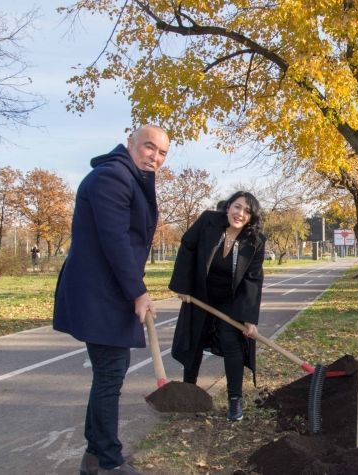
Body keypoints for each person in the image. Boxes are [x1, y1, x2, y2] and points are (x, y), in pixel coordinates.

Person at [53, 125, 169, 475]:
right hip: (98, 294)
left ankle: (93, 457)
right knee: (110, 374)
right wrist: (138, 292)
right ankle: (109, 460)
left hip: (107, 291)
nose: (155, 157)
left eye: (162, 153)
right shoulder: (113, 177)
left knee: (108, 374)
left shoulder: (127, 176)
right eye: (149, 147)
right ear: (130, 142)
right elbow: (114, 240)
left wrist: (135, 288)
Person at [170, 191, 266, 422]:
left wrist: (249, 319)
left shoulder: (255, 241)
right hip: (200, 294)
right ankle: (188, 393)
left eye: (247, 211)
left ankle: (235, 400)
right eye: (237, 206)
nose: (240, 213)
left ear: (252, 217)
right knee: (193, 342)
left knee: (232, 343)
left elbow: (253, 278)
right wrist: (183, 286)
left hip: (230, 299)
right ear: (227, 207)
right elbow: (187, 247)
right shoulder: (208, 222)